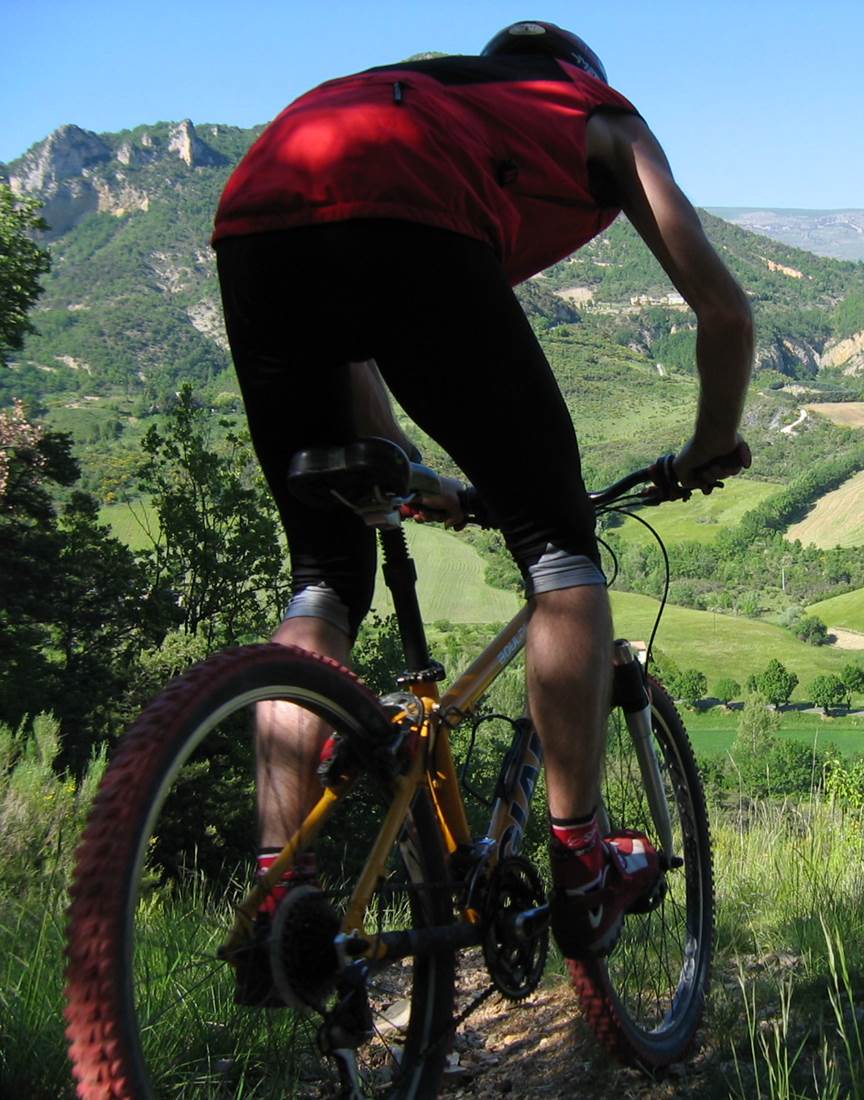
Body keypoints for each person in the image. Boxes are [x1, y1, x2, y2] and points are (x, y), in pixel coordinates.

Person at [213, 20, 752, 967]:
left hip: (260, 203)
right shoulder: (593, 110)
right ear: (577, 71)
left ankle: (278, 887)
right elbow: (723, 309)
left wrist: (410, 473)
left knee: (322, 581)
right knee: (558, 552)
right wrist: (709, 445)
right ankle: (582, 859)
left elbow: (358, 348)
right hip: (405, 217)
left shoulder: (431, 92)